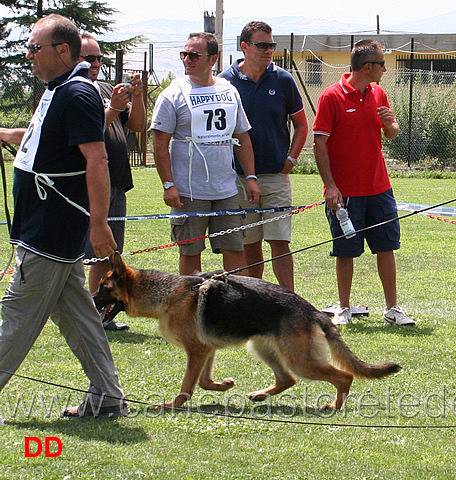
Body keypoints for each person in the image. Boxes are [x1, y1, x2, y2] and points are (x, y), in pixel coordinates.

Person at [0, 14, 128, 418]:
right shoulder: (58, 90)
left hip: (51, 231)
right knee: (77, 315)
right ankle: (108, 396)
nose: (29, 56)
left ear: (62, 50)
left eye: (35, 48)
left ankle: (107, 397)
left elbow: (97, 160)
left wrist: (99, 223)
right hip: (44, 227)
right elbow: (43, 143)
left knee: (17, 311)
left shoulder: (76, 94)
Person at [313, 39, 415, 327]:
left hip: (379, 188)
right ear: (368, 66)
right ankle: (343, 308)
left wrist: (390, 124)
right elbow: (320, 145)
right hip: (345, 193)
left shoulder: (379, 93)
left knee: (386, 247)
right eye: (382, 63)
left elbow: (392, 133)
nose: (386, 68)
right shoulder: (331, 96)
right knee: (346, 251)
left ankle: (392, 309)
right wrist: (331, 187)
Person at [151, 32, 260, 275]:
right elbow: (160, 144)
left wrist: (250, 177)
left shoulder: (229, 91)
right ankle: (191, 309)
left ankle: (235, 309)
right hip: (189, 192)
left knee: (234, 249)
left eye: (193, 55)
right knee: (190, 251)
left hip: (227, 190)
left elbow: (242, 135)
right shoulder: (173, 94)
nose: (187, 59)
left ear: (213, 59)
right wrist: (168, 184)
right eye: (184, 54)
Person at [219, 21, 308, 292]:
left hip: (276, 176)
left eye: (271, 45)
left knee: (280, 242)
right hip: (238, 179)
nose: (269, 50)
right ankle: (253, 301)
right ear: (244, 47)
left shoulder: (283, 79)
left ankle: (292, 302)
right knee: (249, 244)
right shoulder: (225, 82)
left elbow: (302, 125)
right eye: (262, 45)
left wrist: (290, 160)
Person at [81, 33, 146, 331]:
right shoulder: (74, 92)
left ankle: (100, 317)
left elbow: (137, 126)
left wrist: (137, 97)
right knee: (95, 253)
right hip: (90, 184)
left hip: (116, 182)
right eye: (88, 58)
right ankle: (90, 316)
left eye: (98, 58)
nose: (95, 63)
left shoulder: (107, 89)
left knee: (110, 253)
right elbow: (88, 132)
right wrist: (114, 109)